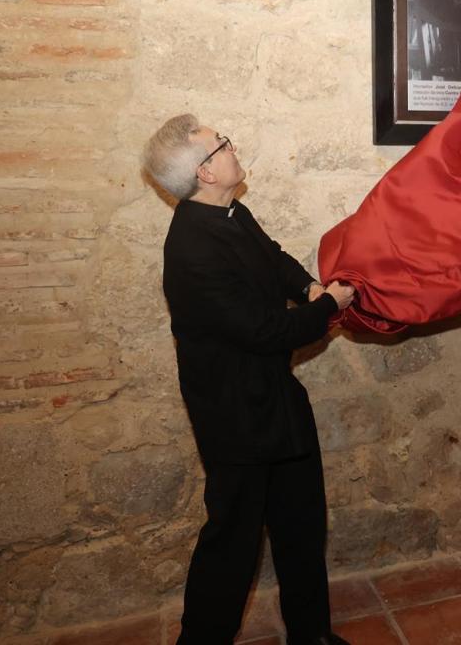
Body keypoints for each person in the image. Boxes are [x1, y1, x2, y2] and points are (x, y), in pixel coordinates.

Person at [143, 114, 355, 645]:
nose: (231, 148)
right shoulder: (191, 249)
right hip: (235, 417)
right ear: (205, 173)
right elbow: (265, 331)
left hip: (277, 400)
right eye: (222, 145)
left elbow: (275, 258)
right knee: (231, 547)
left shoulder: (232, 213)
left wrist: (308, 286)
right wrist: (331, 303)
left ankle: (313, 636)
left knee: (302, 528)